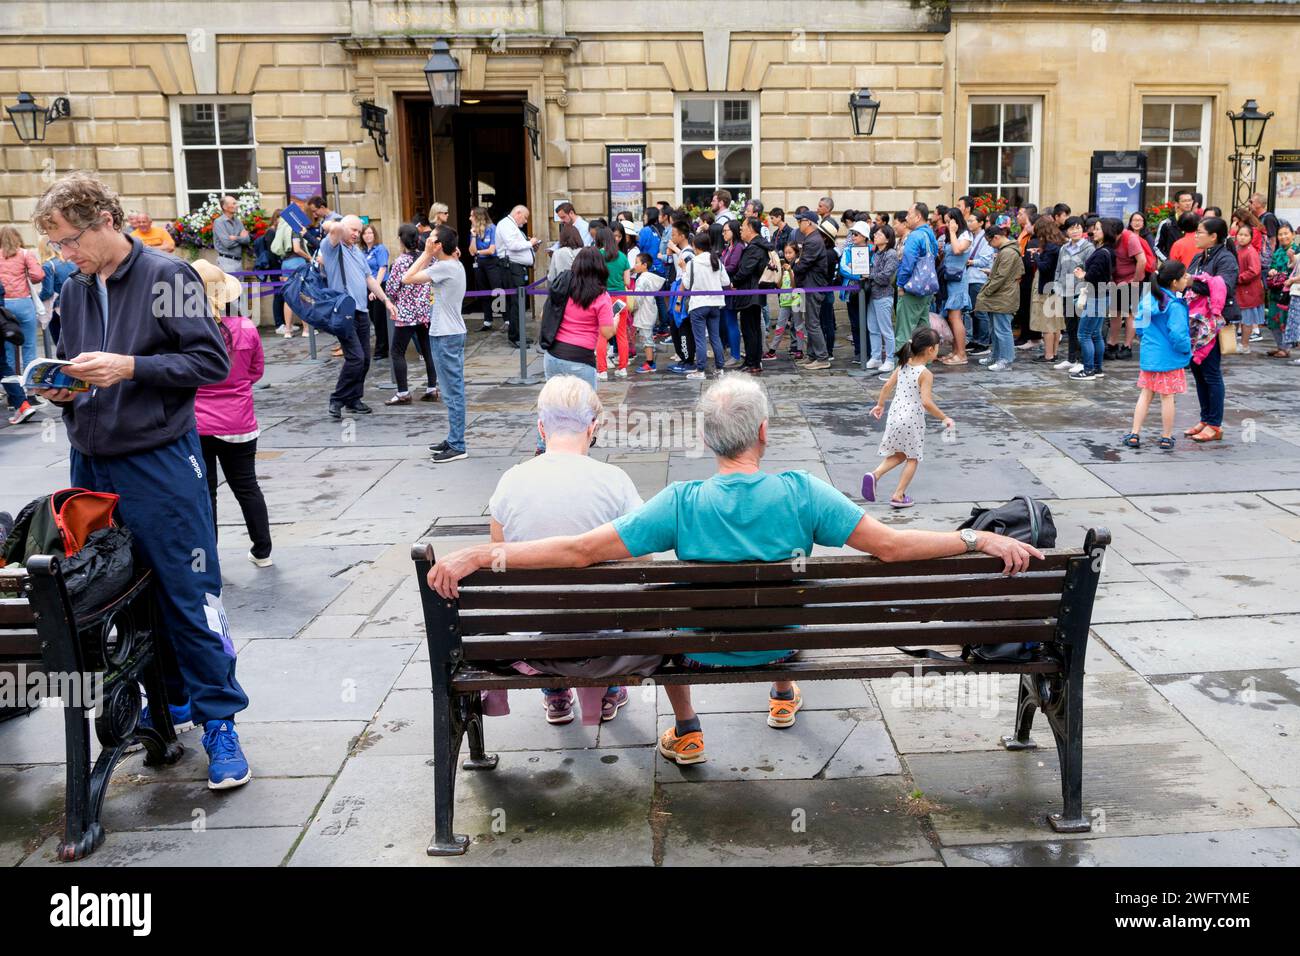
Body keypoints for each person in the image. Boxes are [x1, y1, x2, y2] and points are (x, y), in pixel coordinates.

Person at [426, 375, 1043, 765]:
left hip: (700, 652)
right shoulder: (805, 492)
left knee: (669, 618)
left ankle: (689, 730)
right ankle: (781, 692)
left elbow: (579, 552)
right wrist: (973, 539)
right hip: (782, 646)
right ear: (764, 434)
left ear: (706, 437)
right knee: (779, 593)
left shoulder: (680, 504)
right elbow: (891, 548)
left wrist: (487, 554)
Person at [32, 172, 251, 788]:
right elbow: (75, 369)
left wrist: (128, 366)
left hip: (159, 459)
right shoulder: (74, 291)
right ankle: (168, 704)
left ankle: (220, 723)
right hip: (90, 460)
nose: (64, 256)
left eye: (69, 241)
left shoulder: (167, 276)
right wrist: (59, 390)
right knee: (111, 592)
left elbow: (211, 361)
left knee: (189, 589)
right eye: (56, 246)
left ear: (104, 220)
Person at [484, 375, 655, 725]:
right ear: (593, 426)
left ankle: (555, 694)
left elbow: (500, 557)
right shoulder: (614, 480)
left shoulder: (511, 481)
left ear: (541, 428)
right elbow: (645, 558)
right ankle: (608, 692)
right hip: (604, 635)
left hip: (532, 637)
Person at [192, 260, 273, 567]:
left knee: (205, 494)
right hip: (239, 421)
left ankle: (209, 557)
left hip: (197, 424)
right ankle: (262, 550)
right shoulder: (247, 329)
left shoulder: (187, 333)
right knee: (247, 486)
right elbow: (255, 372)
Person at [398, 226, 469, 463]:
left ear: (439, 245)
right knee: (451, 389)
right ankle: (453, 438)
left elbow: (406, 278)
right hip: (448, 333)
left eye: (431, 239)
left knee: (452, 391)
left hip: (446, 335)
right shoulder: (451, 264)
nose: (426, 241)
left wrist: (427, 254)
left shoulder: (445, 266)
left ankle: (458, 445)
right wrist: (432, 253)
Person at [863, 327, 953, 509]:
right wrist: (945, 418)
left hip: (895, 414)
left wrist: (880, 405)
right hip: (912, 419)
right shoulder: (925, 373)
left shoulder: (904, 364)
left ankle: (875, 474)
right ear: (930, 350)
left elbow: (887, 386)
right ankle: (898, 495)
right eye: (937, 347)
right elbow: (926, 402)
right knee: (912, 458)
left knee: (899, 454)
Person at [319, 214, 398, 420]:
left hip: (362, 311)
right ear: (343, 228)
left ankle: (353, 399)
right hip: (344, 313)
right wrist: (339, 226)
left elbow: (369, 279)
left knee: (364, 361)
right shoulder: (333, 247)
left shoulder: (357, 251)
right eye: (353, 230)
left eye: (359, 231)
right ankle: (337, 399)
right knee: (355, 358)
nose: (357, 234)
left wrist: (386, 300)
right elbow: (331, 227)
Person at [1124, 260, 1192, 451]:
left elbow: (1140, 326)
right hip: (1169, 358)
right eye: (1184, 275)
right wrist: (1187, 349)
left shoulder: (1148, 299)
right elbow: (1178, 335)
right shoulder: (1174, 305)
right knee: (1167, 397)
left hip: (1150, 356)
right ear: (1174, 282)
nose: (1187, 278)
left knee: (1145, 395)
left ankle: (1134, 434)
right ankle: (1166, 437)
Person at [1185, 216, 1238, 442]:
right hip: (1196, 323)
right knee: (1198, 371)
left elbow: (1224, 286)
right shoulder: (1199, 256)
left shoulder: (1226, 258)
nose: (1196, 236)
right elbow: (1186, 278)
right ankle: (1205, 418)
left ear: (1214, 236)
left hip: (1214, 323)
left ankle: (1215, 424)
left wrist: (1192, 282)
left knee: (1211, 372)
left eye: (1200, 232)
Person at [382, 223, 440, 406]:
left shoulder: (400, 262)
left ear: (401, 240)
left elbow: (391, 288)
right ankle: (432, 388)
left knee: (397, 352)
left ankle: (403, 392)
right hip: (424, 311)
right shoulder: (427, 259)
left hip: (406, 313)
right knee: (427, 349)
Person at [1071, 217, 1119, 381]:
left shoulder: (1102, 253)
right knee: (1095, 334)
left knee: (1084, 334)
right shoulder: (1109, 251)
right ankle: (1097, 368)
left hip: (1095, 297)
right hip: (1102, 295)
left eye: (1098, 228)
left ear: (1106, 232)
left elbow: (1092, 277)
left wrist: (1081, 274)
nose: (1094, 231)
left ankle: (1089, 369)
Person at [971, 224, 1024, 372]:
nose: (989, 245)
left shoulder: (1008, 252)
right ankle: (996, 356)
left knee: (1002, 329)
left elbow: (1001, 277)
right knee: (995, 328)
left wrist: (986, 291)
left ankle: (1006, 360)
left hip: (1004, 296)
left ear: (996, 237)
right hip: (1001, 295)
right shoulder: (1006, 251)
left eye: (989, 242)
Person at [681, 231, 729, 381]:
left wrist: (683, 270)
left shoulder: (692, 263)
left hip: (698, 304)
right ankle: (720, 368)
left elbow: (687, 284)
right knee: (715, 337)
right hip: (715, 304)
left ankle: (700, 370)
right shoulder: (716, 260)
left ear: (696, 246)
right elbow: (726, 282)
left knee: (700, 339)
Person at [0, 226, 45, 379]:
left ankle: (12, 392)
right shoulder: (25, 254)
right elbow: (38, 275)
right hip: (23, 303)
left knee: (7, 350)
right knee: (29, 346)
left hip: (3, 306)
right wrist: (27, 277)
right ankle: (30, 390)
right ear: (18, 237)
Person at [1054, 216, 1095, 372]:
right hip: (1066, 292)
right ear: (1067, 231)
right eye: (1071, 228)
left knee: (1081, 328)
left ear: (1083, 230)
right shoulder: (1063, 248)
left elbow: (1089, 271)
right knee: (1070, 327)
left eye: (1078, 227)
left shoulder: (1089, 248)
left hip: (1081, 292)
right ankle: (1072, 358)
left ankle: (1082, 361)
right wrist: (1057, 286)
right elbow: (1058, 269)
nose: (1075, 231)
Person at [495, 205, 541, 346]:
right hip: (511, 269)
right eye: (525, 217)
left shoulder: (511, 226)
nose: (526, 221)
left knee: (519, 303)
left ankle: (519, 334)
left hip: (517, 268)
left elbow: (517, 246)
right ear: (518, 213)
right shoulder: (506, 225)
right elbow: (512, 245)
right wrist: (530, 243)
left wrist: (531, 247)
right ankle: (515, 337)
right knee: (516, 303)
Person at [731, 216, 772, 373]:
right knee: (752, 328)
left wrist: (734, 282)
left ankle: (752, 362)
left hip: (750, 292)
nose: (741, 229)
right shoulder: (757, 245)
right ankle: (753, 361)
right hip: (753, 292)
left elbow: (745, 270)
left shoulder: (755, 247)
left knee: (750, 329)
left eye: (743, 226)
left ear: (751, 228)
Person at [894, 203, 938, 346]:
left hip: (912, 288)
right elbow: (935, 255)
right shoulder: (929, 233)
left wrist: (900, 284)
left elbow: (907, 264)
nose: (906, 218)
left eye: (909, 214)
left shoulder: (915, 236)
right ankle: (924, 364)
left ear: (918, 217)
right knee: (924, 329)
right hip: (927, 287)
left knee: (904, 332)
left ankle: (901, 366)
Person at [792, 211, 831, 370]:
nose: (798, 224)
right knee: (810, 322)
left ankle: (822, 357)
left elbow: (803, 264)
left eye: (800, 221)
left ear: (808, 222)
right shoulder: (811, 238)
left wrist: (796, 264)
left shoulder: (813, 240)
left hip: (813, 285)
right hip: (809, 284)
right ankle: (812, 355)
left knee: (813, 323)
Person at [1105, 214, 1146, 360]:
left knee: (1129, 313)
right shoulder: (1109, 239)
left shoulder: (1130, 238)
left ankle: (1127, 346)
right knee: (1115, 312)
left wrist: (1135, 280)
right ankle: (1113, 343)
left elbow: (1142, 260)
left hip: (1131, 280)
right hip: (1116, 281)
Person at [594, 225, 631, 381]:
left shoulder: (597, 255)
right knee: (621, 334)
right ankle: (622, 368)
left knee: (602, 335)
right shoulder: (622, 256)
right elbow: (627, 281)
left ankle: (602, 370)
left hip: (603, 297)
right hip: (621, 298)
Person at [938, 209, 972, 365]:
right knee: (950, 317)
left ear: (956, 221)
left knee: (956, 318)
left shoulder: (966, 235)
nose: (947, 224)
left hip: (958, 281)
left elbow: (958, 250)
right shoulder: (950, 236)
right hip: (948, 280)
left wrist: (952, 232)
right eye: (945, 221)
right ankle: (955, 351)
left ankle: (962, 354)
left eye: (949, 221)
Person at [1029, 215, 1065, 364]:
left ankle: (1048, 355)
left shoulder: (1050, 248)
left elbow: (1045, 268)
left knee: (1047, 323)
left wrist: (1036, 256)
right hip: (1057, 288)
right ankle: (1054, 353)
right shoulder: (1059, 244)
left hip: (1047, 287)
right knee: (1056, 323)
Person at [866, 224, 899, 374]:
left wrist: (870, 276)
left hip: (884, 295)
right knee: (873, 328)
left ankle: (890, 359)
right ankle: (876, 356)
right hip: (873, 295)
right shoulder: (876, 253)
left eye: (879, 235)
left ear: (887, 238)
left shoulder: (891, 254)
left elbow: (885, 277)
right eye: (875, 234)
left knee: (886, 329)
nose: (875, 236)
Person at [765, 239, 806, 361]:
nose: (788, 255)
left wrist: (790, 271)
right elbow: (779, 285)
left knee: (798, 326)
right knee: (780, 325)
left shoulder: (798, 265)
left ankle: (800, 349)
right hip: (785, 300)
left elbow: (795, 285)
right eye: (786, 253)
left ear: (796, 253)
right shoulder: (784, 267)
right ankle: (772, 350)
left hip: (798, 299)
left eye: (790, 252)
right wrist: (778, 271)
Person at [1264, 221, 1297, 357]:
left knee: (1286, 319)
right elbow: (1272, 266)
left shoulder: (1297, 250)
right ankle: (1280, 346)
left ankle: (1286, 348)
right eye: (1280, 234)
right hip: (1276, 291)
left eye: (1286, 233)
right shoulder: (1277, 251)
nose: (1283, 237)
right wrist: (1272, 271)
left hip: (1290, 291)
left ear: (1293, 235)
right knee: (1273, 319)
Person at [630, 253, 666, 374]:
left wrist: (631, 306)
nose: (635, 265)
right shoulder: (648, 277)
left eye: (637, 262)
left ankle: (650, 363)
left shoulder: (642, 279)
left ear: (644, 265)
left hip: (644, 311)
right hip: (649, 309)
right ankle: (649, 361)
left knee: (646, 338)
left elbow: (638, 298)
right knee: (647, 336)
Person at [963, 209, 993, 356]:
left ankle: (984, 342)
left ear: (981, 223)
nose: (969, 223)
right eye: (968, 221)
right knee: (972, 312)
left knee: (980, 311)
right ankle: (975, 339)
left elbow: (986, 260)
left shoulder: (985, 238)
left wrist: (970, 261)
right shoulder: (972, 237)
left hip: (978, 278)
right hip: (970, 278)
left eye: (971, 221)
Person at [468, 205, 501, 332]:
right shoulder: (473, 230)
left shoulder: (492, 228)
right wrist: (474, 237)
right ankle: (487, 321)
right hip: (479, 263)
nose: (470, 218)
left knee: (498, 290)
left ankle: (506, 319)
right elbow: (471, 251)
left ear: (479, 217)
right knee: (483, 291)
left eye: (472, 216)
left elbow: (492, 250)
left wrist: (478, 252)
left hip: (492, 263)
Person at [718, 219, 746, 366]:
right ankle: (731, 352)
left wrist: (717, 269)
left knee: (731, 322)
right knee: (727, 321)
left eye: (726, 231)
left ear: (734, 231)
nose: (723, 234)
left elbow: (733, 266)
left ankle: (735, 355)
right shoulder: (728, 248)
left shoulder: (738, 247)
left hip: (733, 290)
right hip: (725, 289)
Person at [360, 224, 390, 360]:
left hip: (379, 285)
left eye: (370, 233)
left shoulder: (380, 249)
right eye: (365, 233)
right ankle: (383, 345)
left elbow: (382, 268)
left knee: (380, 320)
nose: (367, 236)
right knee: (372, 318)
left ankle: (382, 350)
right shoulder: (363, 251)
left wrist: (375, 289)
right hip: (368, 287)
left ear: (375, 234)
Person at [1235, 223, 1265, 353]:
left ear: (1251, 237)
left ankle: (1245, 345)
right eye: (1240, 234)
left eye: (1245, 235)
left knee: (1247, 320)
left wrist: (1239, 278)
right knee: (1237, 318)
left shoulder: (1250, 252)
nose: (1242, 237)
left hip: (1248, 290)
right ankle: (1236, 343)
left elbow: (1254, 271)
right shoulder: (1238, 249)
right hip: (1240, 290)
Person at [212, 194, 250, 287]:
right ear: (225, 207)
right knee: (229, 294)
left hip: (238, 262)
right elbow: (227, 243)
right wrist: (241, 238)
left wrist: (235, 238)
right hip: (226, 262)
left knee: (241, 294)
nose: (236, 205)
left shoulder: (238, 221)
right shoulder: (219, 222)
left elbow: (247, 240)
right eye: (233, 203)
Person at [1155, 190, 1196, 260]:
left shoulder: (1198, 223)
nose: (1188, 203)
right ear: (1177, 204)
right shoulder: (1166, 224)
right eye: (1184, 201)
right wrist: (1168, 262)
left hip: (1193, 267)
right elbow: (1157, 247)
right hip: (1173, 267)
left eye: (1190, 200)